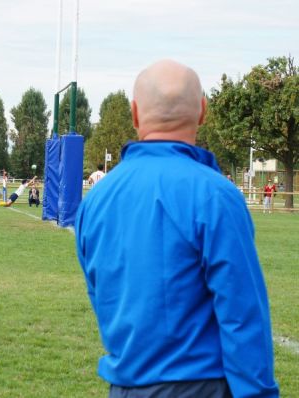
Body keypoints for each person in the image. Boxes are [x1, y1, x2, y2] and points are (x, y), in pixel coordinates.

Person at [75, 60, 278, 397]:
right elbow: (242, 313)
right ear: (203, 111)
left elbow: (103, 297)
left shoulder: (96, 200)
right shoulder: (215, 194)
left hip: (126, 386)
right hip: (201, 386)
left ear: (135, 113)